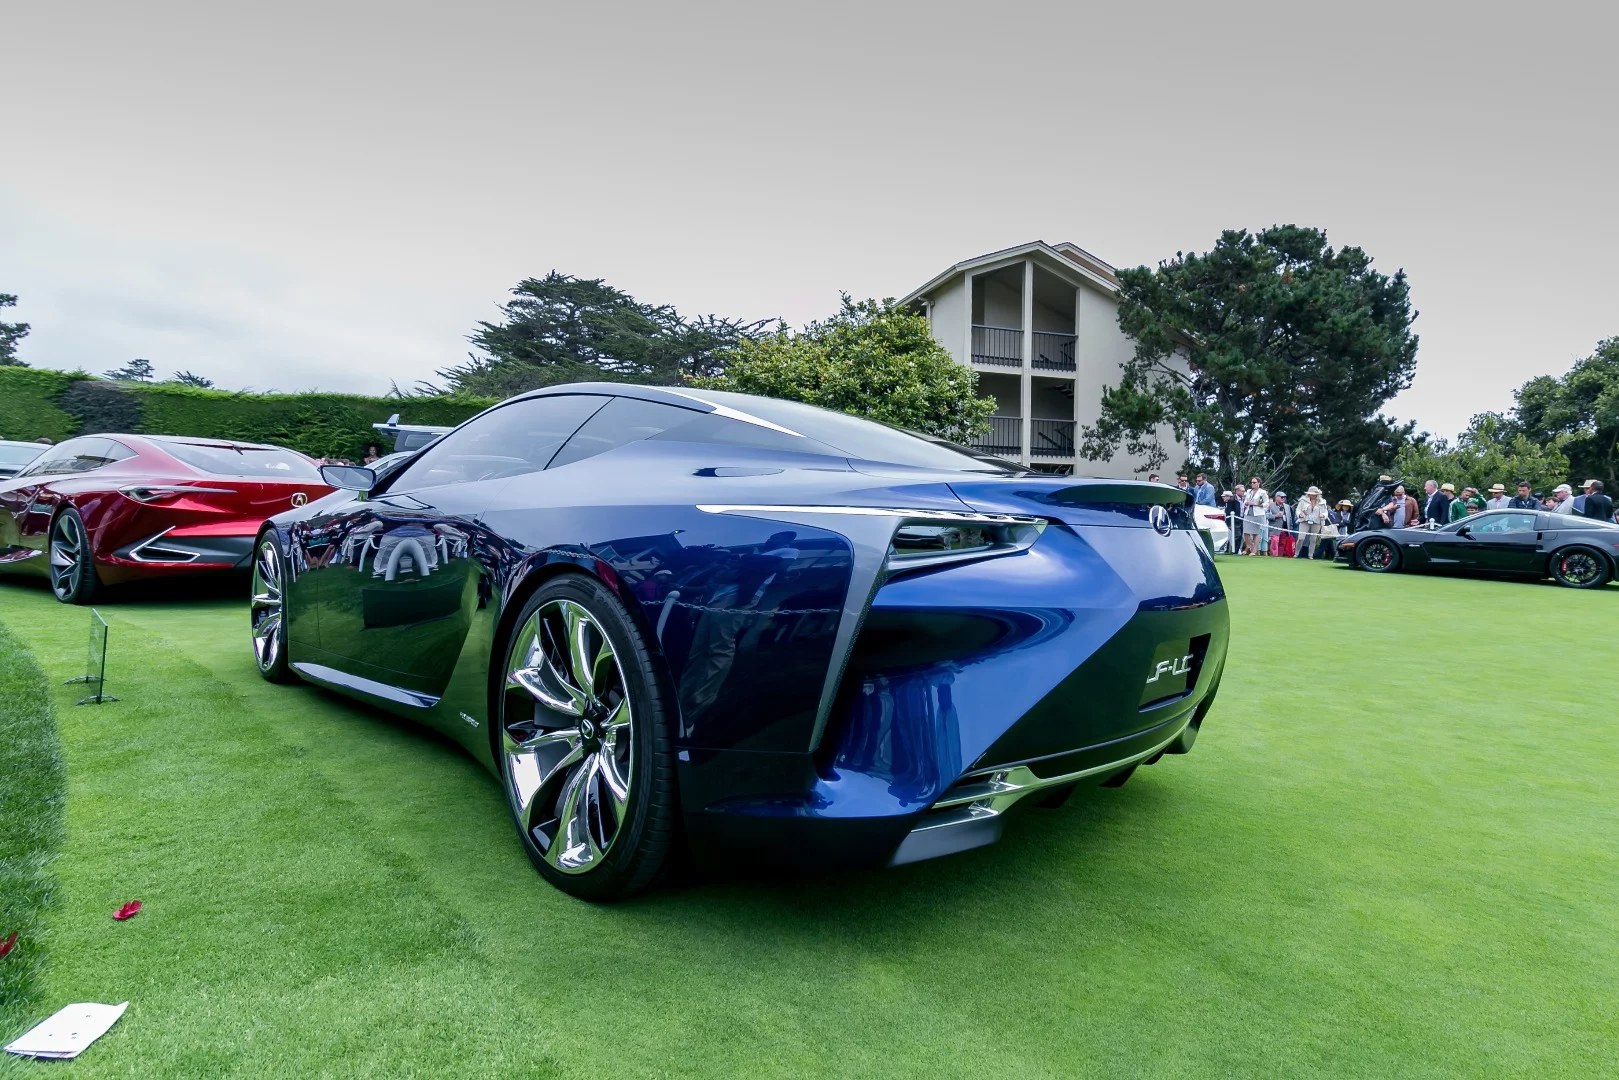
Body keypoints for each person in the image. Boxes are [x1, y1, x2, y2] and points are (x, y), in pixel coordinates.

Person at [1293, 487, 1330, 558]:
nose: (1312, 495)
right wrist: (1300, 514)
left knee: (1313, 539)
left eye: (1314, 494)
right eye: (1311, 494)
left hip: (1316, 522)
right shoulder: (1303, 500)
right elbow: (1298, 510)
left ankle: (1310, 555)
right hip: (1304, 521)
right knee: (1301, 538)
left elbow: (1326, 513)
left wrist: (1323, 515)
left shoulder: (1322, 502)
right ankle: (1296, 553)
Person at [1243, 477, 1269, 555]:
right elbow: (1245, 501)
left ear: (1258, 483)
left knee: (1256, 533)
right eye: (1251, 482)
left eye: (1254, 482)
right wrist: (1247, 503)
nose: (1252, 484)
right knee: (1246, 531)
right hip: (1248, 513)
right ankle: (1248, 547)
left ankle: (1254, 550)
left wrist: (1256, 504)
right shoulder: (1249, 491)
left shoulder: (1262, 492)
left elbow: (1267, 503)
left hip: (1258, 514)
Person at [1269, 492, 1294, 556]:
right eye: (1282, 497)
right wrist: (1276, 516)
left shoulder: (1287, 506)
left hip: (1285, 529)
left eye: (1284, 497)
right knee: (1275, 542)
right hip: (1275, 528)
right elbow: (1266, 515)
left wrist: (1290, 529)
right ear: (1276, 497)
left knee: (1282, 544)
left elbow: (1290, 518)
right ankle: (1274, 557)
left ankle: (1279, 558)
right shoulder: (1271, 506)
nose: (1283, 498)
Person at [1225, 485, 1245, 553]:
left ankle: (1236, 551)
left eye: (1244, 491)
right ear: (1237, 491)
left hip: (1242, 520)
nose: (1243, 492)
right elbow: (1228, 512)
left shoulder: (1243, 499)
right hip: (1235, 520)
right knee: (1237, 535)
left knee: (1240, 536)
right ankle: (1233, 551)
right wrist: (1229, 524)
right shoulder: (1232, 500)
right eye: (1242, 491)